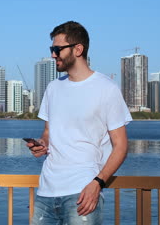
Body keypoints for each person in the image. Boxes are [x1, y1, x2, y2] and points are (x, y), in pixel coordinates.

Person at [27, 21, 132, 224]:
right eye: (52, 49)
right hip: (45, 192)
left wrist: (98, 183)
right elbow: (48, 132)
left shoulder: (106, 89)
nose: (53, 55)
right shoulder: (53, 88)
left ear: (78, 49)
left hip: (82, 193)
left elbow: (121, 146)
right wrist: (41, 144)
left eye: (57, 49)